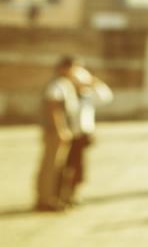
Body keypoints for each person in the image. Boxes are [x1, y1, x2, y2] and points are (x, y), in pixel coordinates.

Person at [58, 65, 113, 206]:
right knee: (66, 166)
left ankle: (73, 194)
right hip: (71, 135)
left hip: (84, 135)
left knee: (79, 166)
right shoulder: (68, 94)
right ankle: (62, 194)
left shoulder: (88, 95)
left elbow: (106, 97)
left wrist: (94, 82)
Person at [35, 55, 80, 212]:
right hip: (55, 131)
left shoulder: (65, 84)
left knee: (57, 166)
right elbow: (55, 109)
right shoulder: (56, 85)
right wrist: (61, 130)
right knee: (51, 165)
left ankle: (52, 197)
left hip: (61, 130)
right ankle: (45, 199)